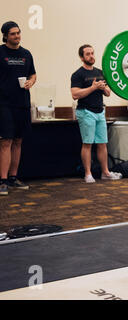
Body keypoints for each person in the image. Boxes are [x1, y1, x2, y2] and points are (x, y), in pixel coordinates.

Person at [71, 44, 121, 183]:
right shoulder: (78, 74)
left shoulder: (100, 72)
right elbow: (75, 94)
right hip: (86, 112)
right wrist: (93, 87)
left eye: (92, 53)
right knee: (87, 143)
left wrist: (103, 88)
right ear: (82, 57)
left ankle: (105, 172)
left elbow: (108, 93)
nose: (91, 56)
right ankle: (88, 173)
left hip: (100, 111)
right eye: (88, 54)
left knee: (102, 143)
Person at [0, 21, 36, 196]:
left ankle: (13, 177)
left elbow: (33, 74)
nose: (17, 36)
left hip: (22, 103)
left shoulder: (26, 54)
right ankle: (3, 180)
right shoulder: (0, 53)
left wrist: (31, 81)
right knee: (6, 141)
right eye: (13, 34)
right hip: (4, 104)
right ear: (6, 36)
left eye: (18, 33)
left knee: (18, 140)